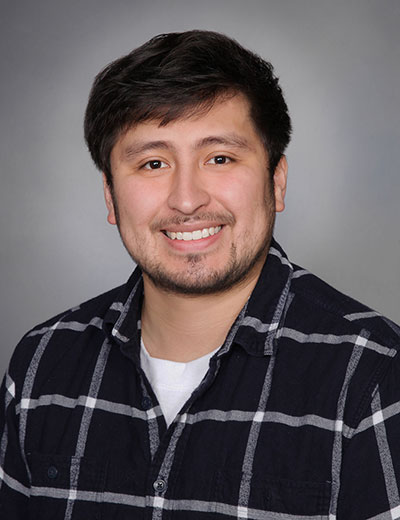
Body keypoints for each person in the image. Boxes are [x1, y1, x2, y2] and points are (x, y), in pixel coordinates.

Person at [0, 30, 399, 520]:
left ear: (276, 181)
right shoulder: (41, 365)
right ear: (110, 195)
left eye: (220, 158)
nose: (186, 200)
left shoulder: (373, 373)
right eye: (153, 163)